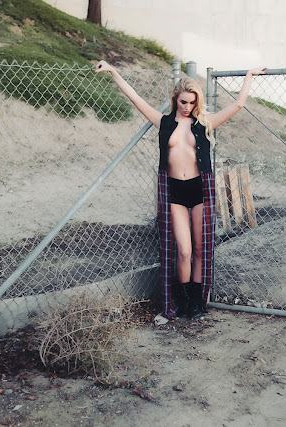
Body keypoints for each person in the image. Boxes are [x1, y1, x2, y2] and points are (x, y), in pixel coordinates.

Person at [95, 60, 266, 322]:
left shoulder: (205, 123)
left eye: (192, 102)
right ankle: (182, 302)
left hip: (199, 189)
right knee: (183, 251)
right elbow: (135, 98)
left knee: (199, 249)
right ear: (176, 99)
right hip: (174, 191)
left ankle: (197, 302)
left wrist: (249, 76)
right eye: (183, 102)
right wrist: (113, 72)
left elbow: (238, 105)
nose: (187, 107)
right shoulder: (163, 122)